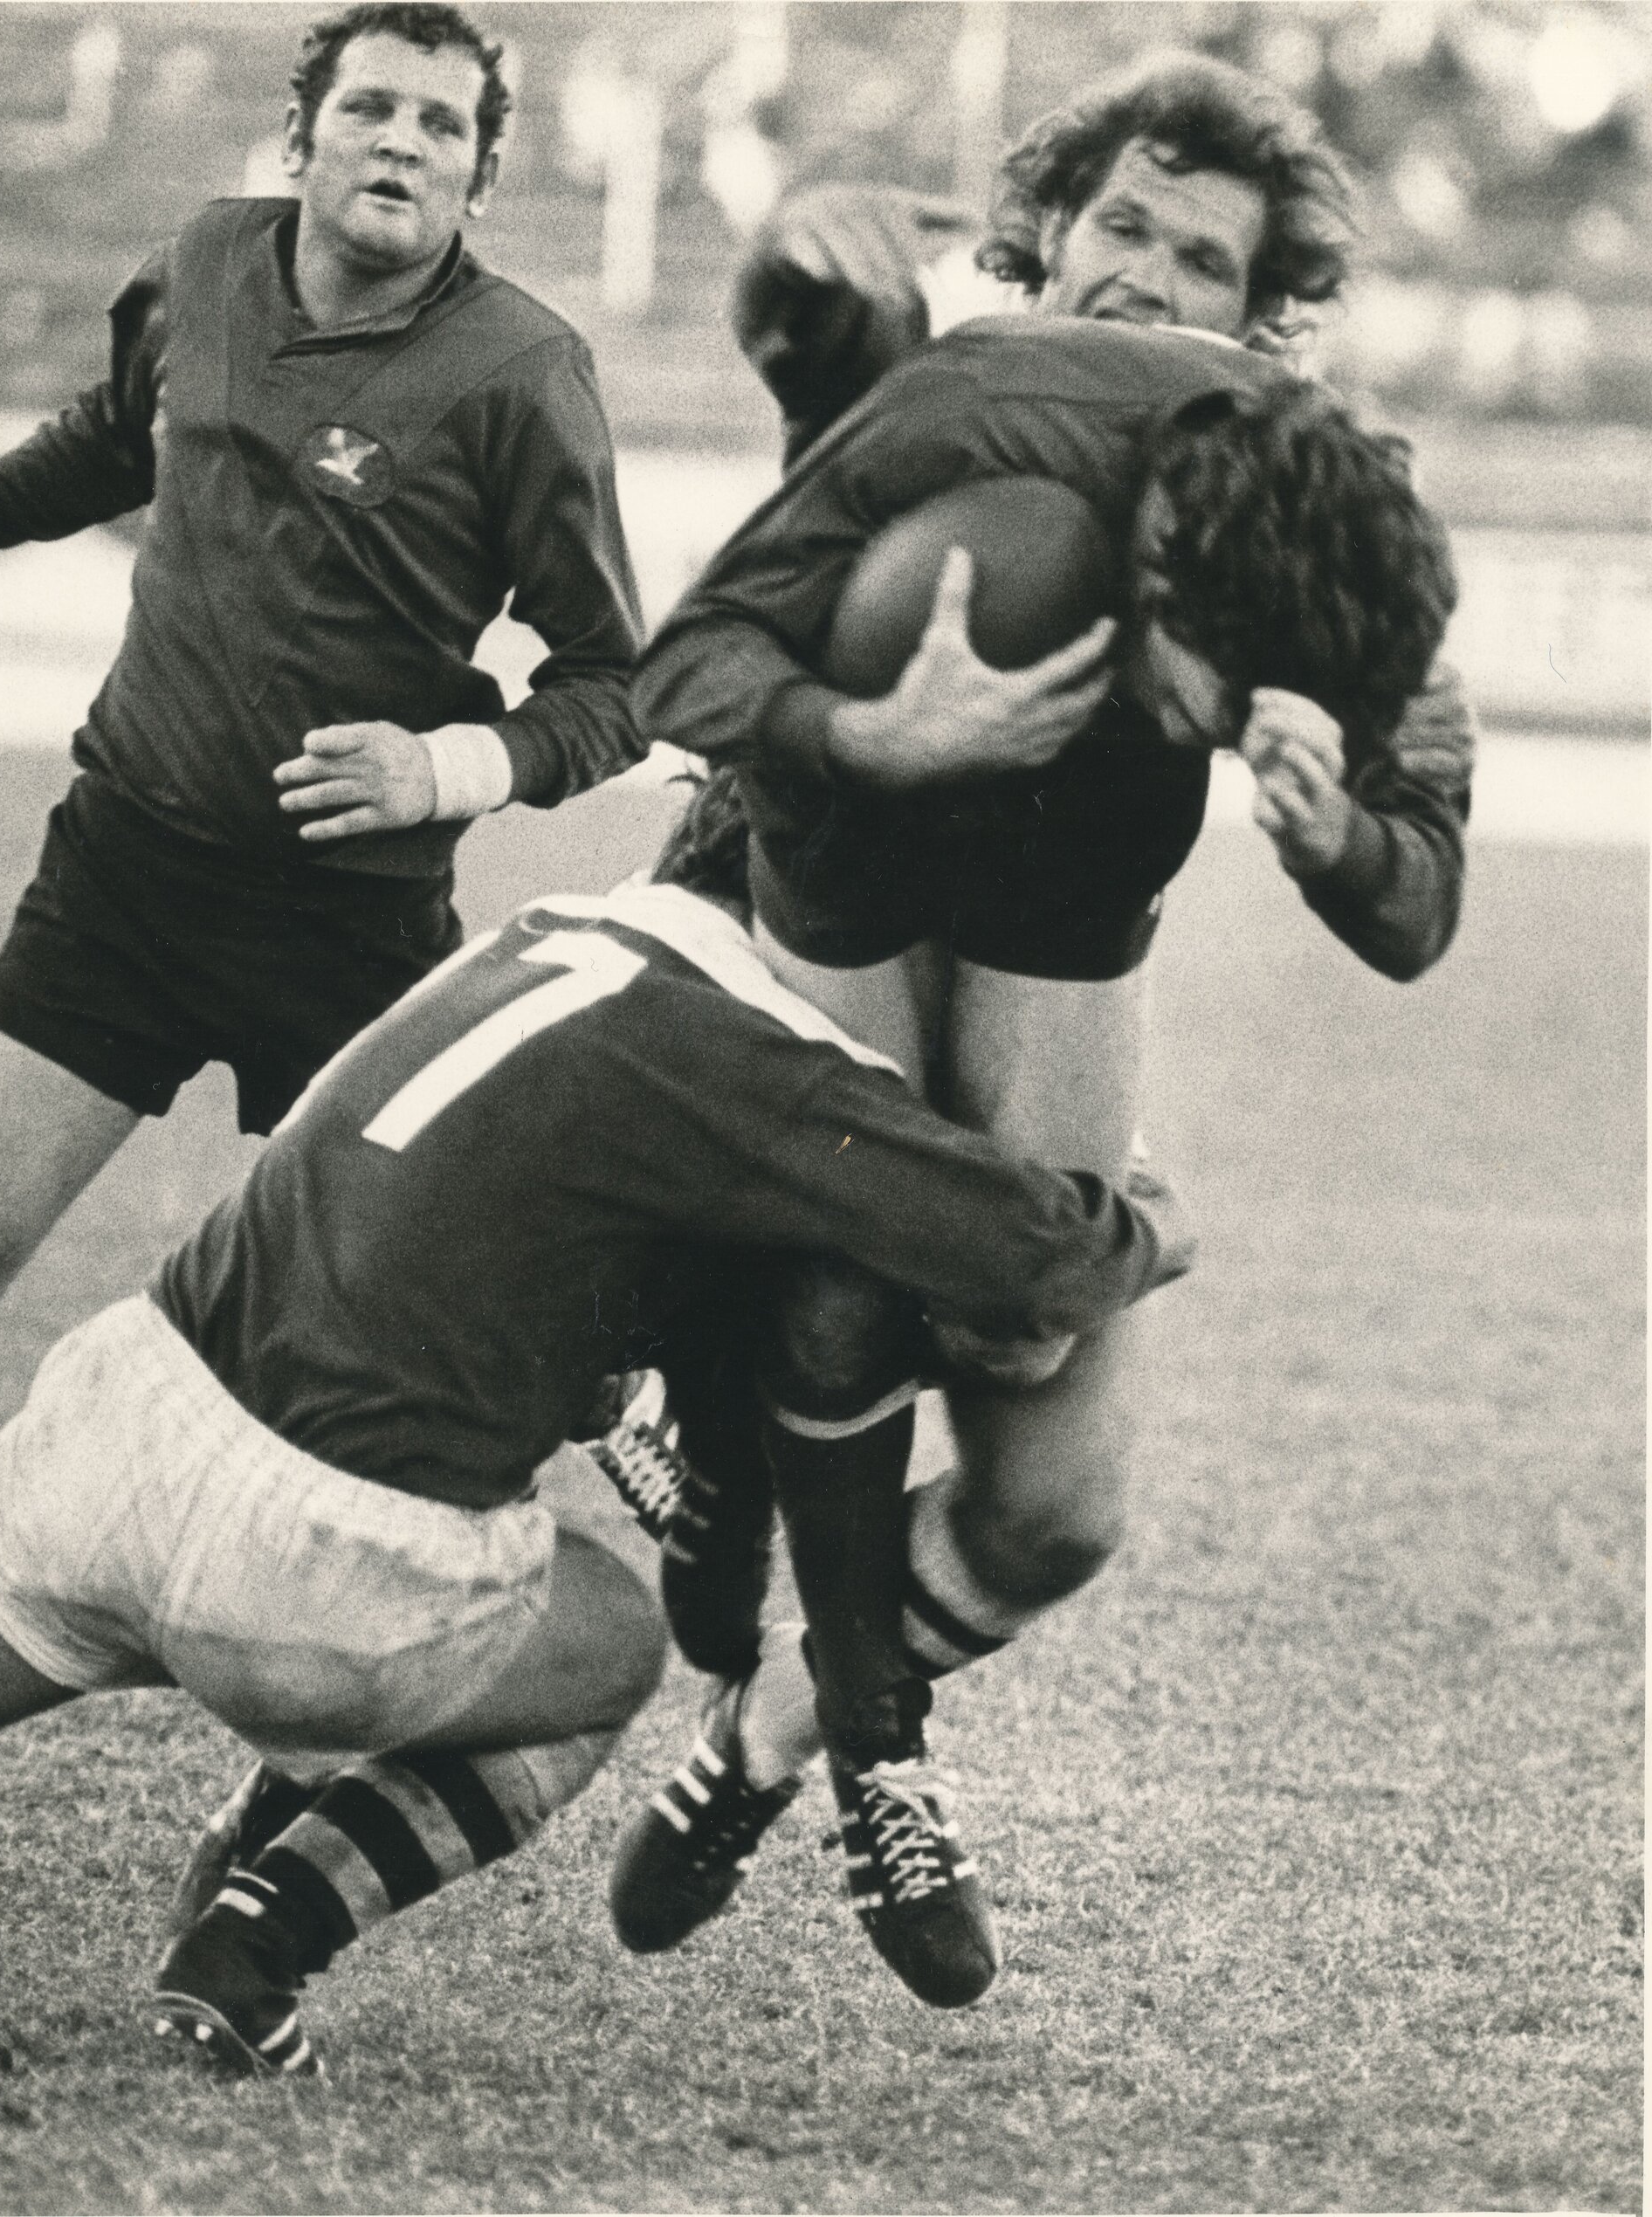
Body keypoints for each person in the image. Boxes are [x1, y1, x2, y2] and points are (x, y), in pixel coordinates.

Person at [612, 52, 1473, 2007]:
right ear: (1044, 237)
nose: (1141, 279)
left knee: (1055, 1495)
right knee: (835, 1286)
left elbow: (1424, 888)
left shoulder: (1323, 491)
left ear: (1260, 328)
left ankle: (773, 1736)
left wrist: (1333, 827)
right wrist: (870, 721)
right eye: (1118, 229)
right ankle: (794, 1606)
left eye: (1197, 259)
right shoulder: (966, 395)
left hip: (1058, 928)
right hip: (803, 860)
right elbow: (684, 657)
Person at [0, 778, 1195, 2076]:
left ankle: (276, 1820)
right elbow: (1034, 1273)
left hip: (117, 1414)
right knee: (604, 1646)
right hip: (320, 1563)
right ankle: (263, 1929)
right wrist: (1151, 1218)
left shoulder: (548, 928)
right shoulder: (757, 1046)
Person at [0, 2, 645, 1403]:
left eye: (443, 126)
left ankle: (647, 1412)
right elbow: (116, 439)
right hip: (120, 877)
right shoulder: (204, 258)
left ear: (478, 182)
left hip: (344, 925)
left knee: (459, 1312)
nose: (402, 142)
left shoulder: (523, 374)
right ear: (303, 136)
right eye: (371, 108)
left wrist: (441, 768)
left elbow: (616, 686)